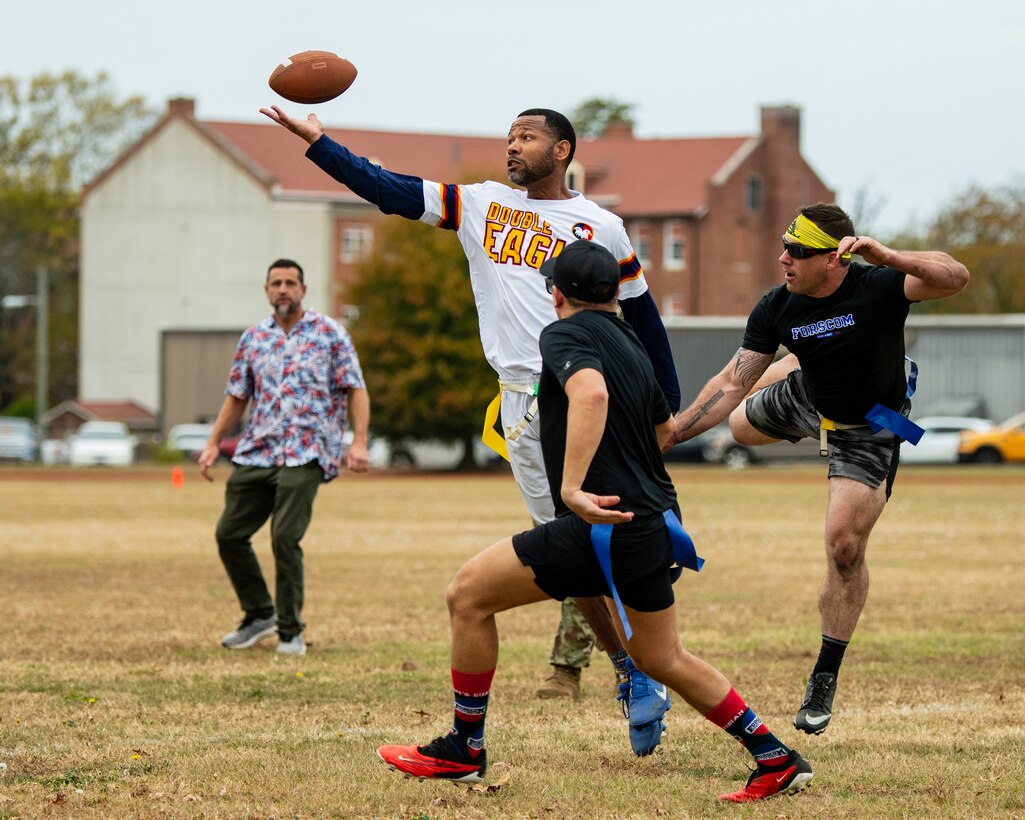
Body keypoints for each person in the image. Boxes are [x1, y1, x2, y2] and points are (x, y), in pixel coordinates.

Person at [260, 104, 679, 752]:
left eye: (527, 136)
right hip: (523, 402)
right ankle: (637, 669)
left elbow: (646, 319)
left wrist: (666, 410)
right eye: (508, 136)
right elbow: (388, 189)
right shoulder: (482, 205)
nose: (512, 146)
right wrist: (320, 144)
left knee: (589, 539)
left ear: (562, 149)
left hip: (589, 392)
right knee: (572, 545)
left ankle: (639, 669)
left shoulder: (601, 226)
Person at [376, 240, 813, 802]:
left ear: (558, 292)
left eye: (549, 282)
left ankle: (464, 747)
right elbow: (663, 432)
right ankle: (776, 757)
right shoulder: (632, 343)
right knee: (663, 657)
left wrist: (572, 487)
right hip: (651, 522)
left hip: (601, 525)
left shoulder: (564, 333)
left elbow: (590, 393)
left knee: (467, 596)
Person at [667, 204, 970, 734]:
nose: (783, 258)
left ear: (835, 258)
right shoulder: (776, 306)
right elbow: (731, 382)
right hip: (810, 398)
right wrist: (667, 437)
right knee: (738, 426)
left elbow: (955, 277)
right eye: (784, 246)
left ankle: (824, 675)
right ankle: (796, 366)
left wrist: (889, 255)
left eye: (798, 251)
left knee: (844, 546)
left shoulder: (879, 286)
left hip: (871, 425)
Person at [197, 259, 371, 656]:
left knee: (284, 537)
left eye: (291, 282)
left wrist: (358, 442)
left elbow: (355, 388)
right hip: (258, 451)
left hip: (307, 452)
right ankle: (260, 614)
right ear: (266, 290)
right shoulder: (254, 338)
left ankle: (290, 631)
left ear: (303, 290)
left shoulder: (330, 333)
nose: (283, 289)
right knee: (229, 534)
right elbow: (237, 395)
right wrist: (213, 443)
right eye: (276, 283)